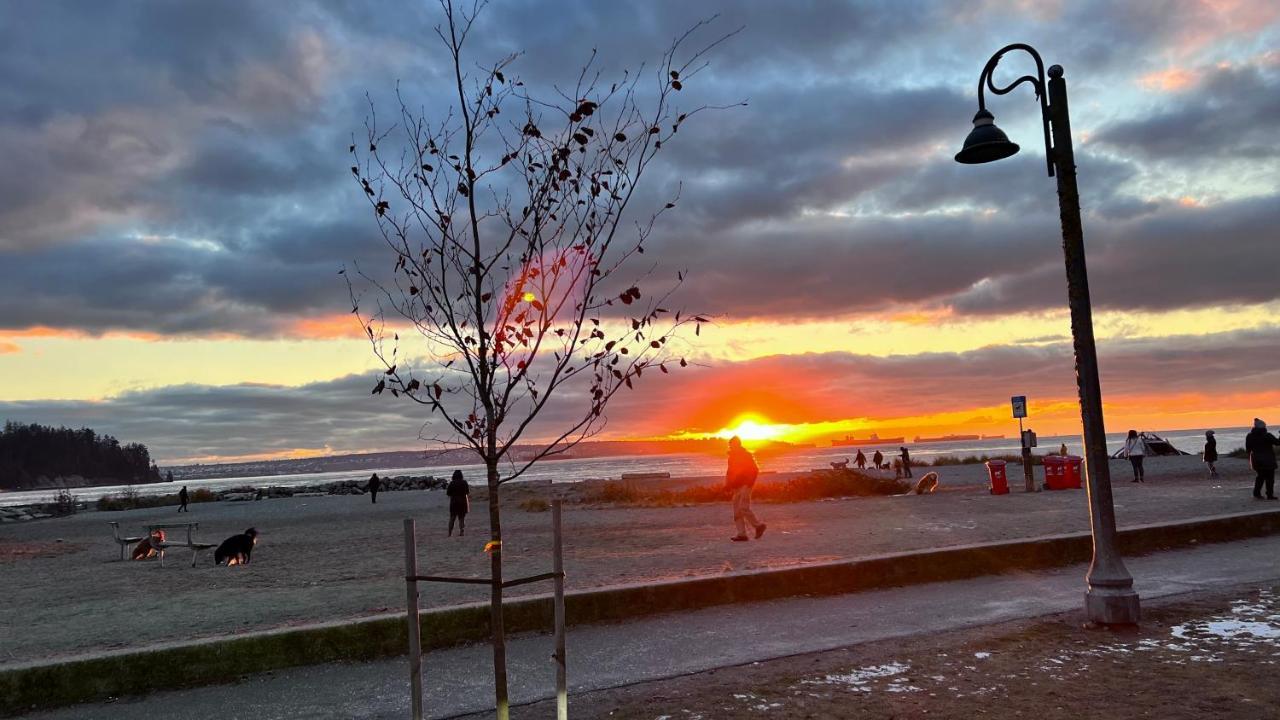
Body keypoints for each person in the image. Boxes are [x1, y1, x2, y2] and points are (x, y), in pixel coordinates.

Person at [725, 436, 766, 542]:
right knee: (737, 511)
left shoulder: (746, 455)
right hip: (736, 486)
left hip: (745, 485)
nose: (731, 446)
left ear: (738, 444)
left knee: (743, 507)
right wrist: (727, 484)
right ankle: (742, 534)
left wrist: (749, 483)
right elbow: (730, 472)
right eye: (730, 444)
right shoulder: (731, 457)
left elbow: (754, 469)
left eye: (732, 444)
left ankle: (758, 526)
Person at [1245, 419, 1280, 500]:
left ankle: (1257, 493)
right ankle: (1269, 495)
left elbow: (1248, 449)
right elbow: (1278, 443)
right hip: (1268, 460)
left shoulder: (1249, 436)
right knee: (1270, 478)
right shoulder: (1267, 435)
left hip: (1256, 460)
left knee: (1260, 477)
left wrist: (1250, 459)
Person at [446, 470, 470, 536]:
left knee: (452, 518)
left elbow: (448, 493)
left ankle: (449, 533)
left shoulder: (452, 483)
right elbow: (467, 492)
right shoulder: (464, 482)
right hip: (462, 502)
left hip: (453, 502)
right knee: (461, 518)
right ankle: (462, 532)